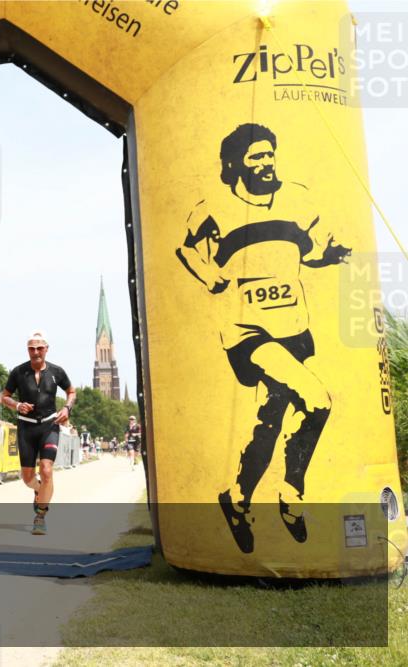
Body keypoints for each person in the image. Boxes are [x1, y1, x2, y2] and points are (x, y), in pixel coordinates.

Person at [176, 123, 349, 554]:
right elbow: (186, 247)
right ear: (235, 164)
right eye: (255, 156)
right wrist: (209, 274)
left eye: (269, 153)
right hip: (247, 332)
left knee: (268, 424)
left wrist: (330, 255)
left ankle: (235, 499)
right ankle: (291, 495)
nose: (266, 162)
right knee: (318, 399)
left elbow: (308, 253)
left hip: (294, 327)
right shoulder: (215, 206)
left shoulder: (298, 199)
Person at [0, 331, 76, 535]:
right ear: (28, 350)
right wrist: (16, 405)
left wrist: (67, 408)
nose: (36, 352)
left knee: (47, 470)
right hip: (26, 427)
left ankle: (40, 516)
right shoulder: (18, 372)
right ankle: (39, 489)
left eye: (39, 348)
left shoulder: (57, 371)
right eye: (32, 348)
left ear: (46, 349)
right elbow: (4, 397)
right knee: (27, 478)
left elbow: (71, 391)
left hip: (49, 425)